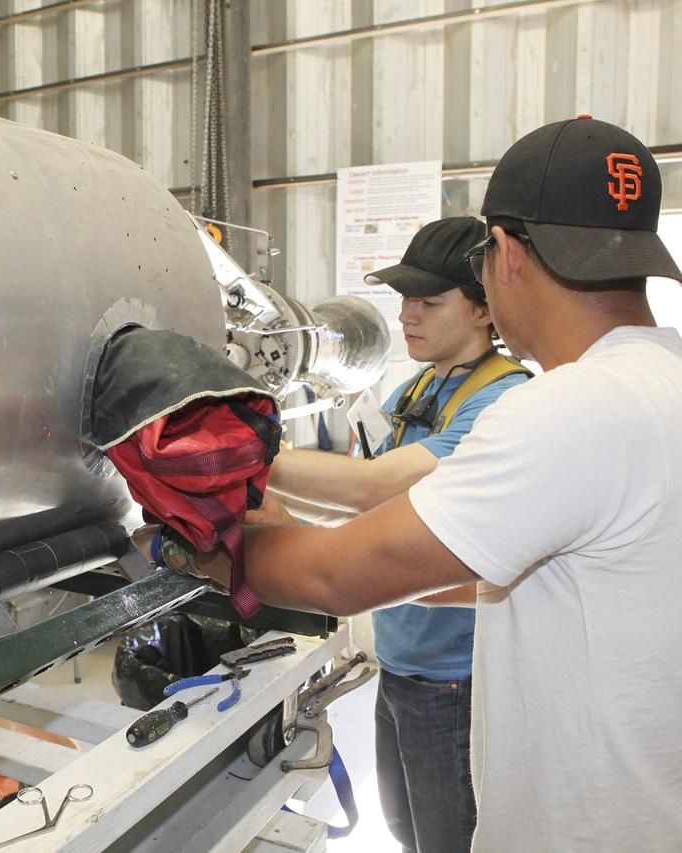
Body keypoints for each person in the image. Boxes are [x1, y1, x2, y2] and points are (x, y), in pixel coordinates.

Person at [150, 116, 682, 852]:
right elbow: (510, 574)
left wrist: (192, 548)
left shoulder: (574, 408)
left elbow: (337, 575)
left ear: (503, 255)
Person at [264, 216, 528, 853]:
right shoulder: (419, 386)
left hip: (456, 681)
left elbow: (370, 488)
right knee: (407, 833)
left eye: (430, 302)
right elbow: (360, 510)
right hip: (402, 665)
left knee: (451, 842)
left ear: (484, 310)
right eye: (405, 300)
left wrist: (241, 455)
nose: (408, 316)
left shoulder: (501, 403)